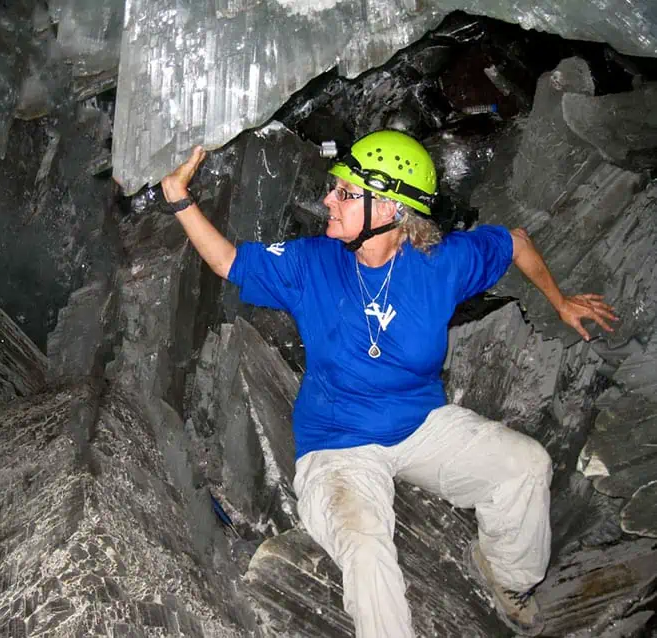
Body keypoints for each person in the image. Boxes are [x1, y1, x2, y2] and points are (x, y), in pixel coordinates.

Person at [159, 129, 618, 637]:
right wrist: (178, 197)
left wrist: (561, 301)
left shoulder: (441, 264)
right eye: (334, 188)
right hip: (338, 447)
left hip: (421, 424)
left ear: (392, 211)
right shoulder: (311, 263)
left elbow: (514, 243)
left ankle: (507, 578)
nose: (327, 200)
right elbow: (228, 261)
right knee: (368, 552)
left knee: (526, 466)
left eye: (345, 193)